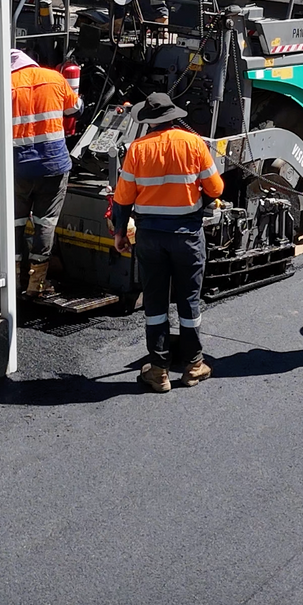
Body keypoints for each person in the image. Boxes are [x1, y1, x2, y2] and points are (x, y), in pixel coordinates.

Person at [111, 92, 224, 392]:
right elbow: (215, 188)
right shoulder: (193, 143)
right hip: (187, 236)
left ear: (148, 120)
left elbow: (123, 199)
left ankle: (159, 370)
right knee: (189, 301)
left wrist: (120, 233)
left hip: (150, 238)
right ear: (174, 116)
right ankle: (194, 365)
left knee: (155, 302)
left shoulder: (137, 149)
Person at [10, 48, 80, 297]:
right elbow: (75, 109)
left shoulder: (5, 84)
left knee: (14, 224)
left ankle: (13, 280)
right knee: (45, 224)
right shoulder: (55, 77)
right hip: (53, 165)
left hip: (17, 168)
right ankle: (36, 284)